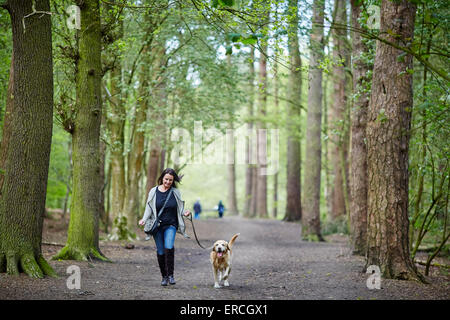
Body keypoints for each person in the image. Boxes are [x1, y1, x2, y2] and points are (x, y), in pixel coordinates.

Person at [139, 168, 191, 286]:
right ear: (162, 178)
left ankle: (171, 275)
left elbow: (180, 208)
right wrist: (144, 219)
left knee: (169, 247)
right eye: (166, 179)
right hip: (157, 226)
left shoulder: (175, 192)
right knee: (161, 251)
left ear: (173, 181)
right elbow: (149, 208)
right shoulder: (153, 191)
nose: (168, 182)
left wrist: (185, 213)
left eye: (171, 180)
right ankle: (164, 276)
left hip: (171, 225)